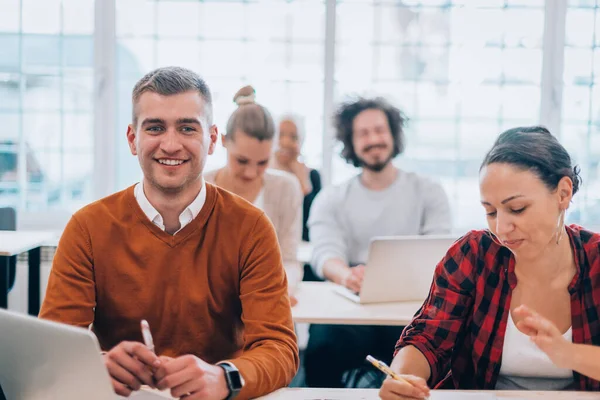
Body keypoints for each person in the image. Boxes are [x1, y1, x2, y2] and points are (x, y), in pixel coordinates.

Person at [39, 67, 299, 400]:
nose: (171, 144)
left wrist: (225, 378)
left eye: (188, 128)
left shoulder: (251, 227)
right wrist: (97, 365)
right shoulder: (88, 227)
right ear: (133, 139)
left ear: (212, 140)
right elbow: (54, 347)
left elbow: (279, 348)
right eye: (155, 127)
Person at [380, 126, 600, 399]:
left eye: (517, 209)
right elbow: (428, 337)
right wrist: (405, 378)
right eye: (490, 212)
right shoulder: (473, 254)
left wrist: (568, 354)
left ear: (563, 193)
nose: (502, 228)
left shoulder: (596, 260)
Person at [304, 97, 451, 388]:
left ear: (393, 134)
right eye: (363, 133)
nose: (373, 140)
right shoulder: (332, 198)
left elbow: (440, 251)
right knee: (322, 347)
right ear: (351, 142)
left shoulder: (428, 191)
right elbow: (324, 253)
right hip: (351, 312)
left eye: (379, 130)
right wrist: (346, 275)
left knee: (445, 353)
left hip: (413, 311)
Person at [204, 86, 304, 300]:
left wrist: (284, 288)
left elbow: (289, 259)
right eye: (241, 160)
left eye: (262, 162)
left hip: (266, 301)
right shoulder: (201, 186)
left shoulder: (286, 188)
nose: (251, 172)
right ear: (222, 140)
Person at [271, 114, 322, 242]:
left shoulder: (313, 176)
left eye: (293, 137)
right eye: (281, 135)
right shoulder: (263, 173)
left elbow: (313, 229)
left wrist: (304, 183)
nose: (286, 142)